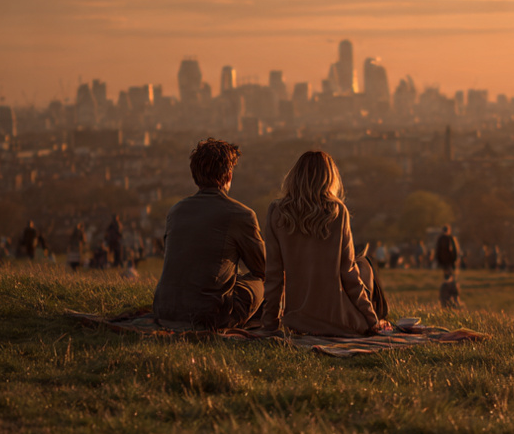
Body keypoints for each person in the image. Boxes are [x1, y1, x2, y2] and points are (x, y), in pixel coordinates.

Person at [261, 150, 384, 336]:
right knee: (364, 266)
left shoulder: (276, 211)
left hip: (297, 321)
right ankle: (379, 318)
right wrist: (371, 319)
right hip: (337, 321)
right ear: (329, 178)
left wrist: (270, 323)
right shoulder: (337, 212)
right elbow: (349, 273)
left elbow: (274, 276)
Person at [152, 138, 267, 329]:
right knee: (260, 283)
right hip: (208, 316)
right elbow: (262, 268)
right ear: (229, 175)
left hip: (164, 308)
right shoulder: (241, 215)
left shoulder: (176, 211)